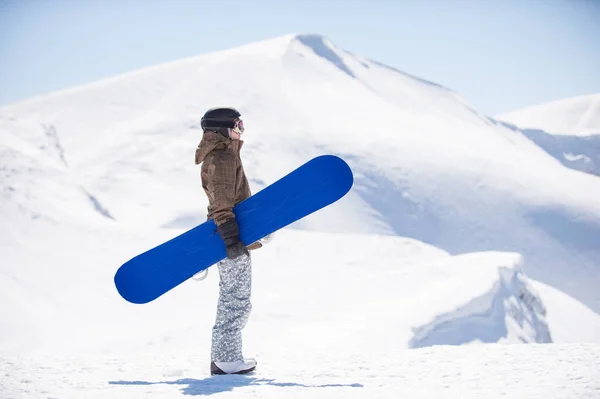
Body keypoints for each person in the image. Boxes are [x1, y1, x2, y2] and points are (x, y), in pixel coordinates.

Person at [195, 107, 258, 375]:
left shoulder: (223, 155)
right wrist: (232, 240)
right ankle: (226, 360)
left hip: (227, 234)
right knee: (236, 299)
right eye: (238, 124)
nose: (241, 129)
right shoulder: (222, 158)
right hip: (228, 236)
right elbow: (221, 204)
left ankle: (226, 357)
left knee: (233, 297)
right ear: (222, 128)